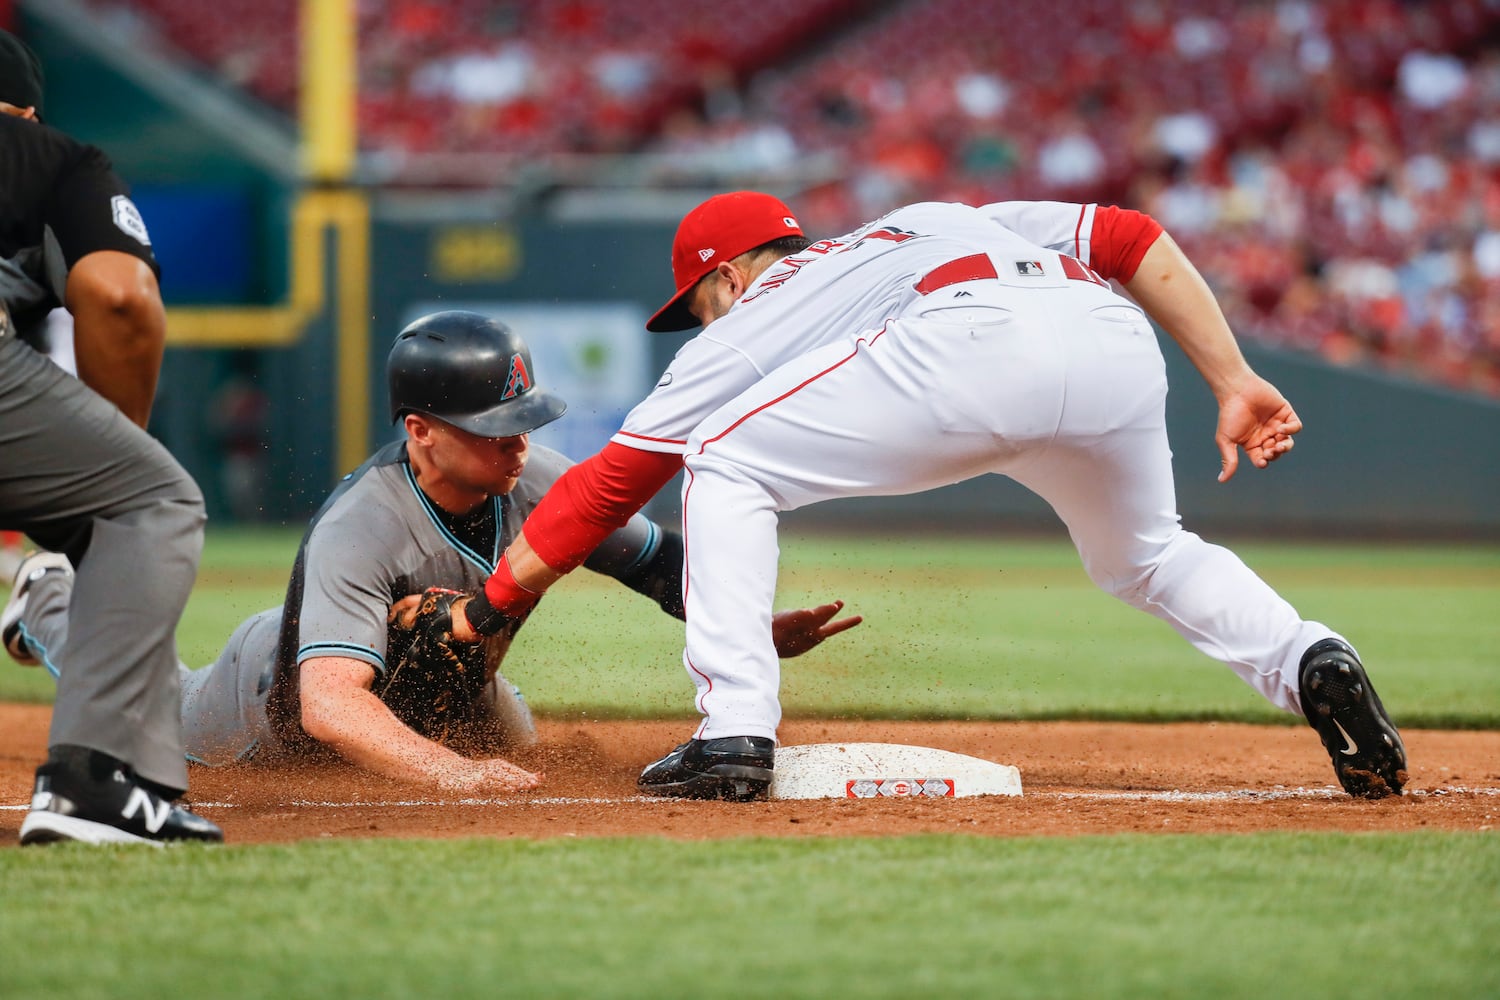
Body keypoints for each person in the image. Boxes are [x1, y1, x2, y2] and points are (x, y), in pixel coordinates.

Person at [449, 190, 1408, 803]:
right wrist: (1232, 378)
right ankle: (1307, 654)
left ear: (730, 277)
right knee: (1148, 555)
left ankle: (734, 730)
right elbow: (1126, 234)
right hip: (1108, 339)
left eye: (697, 303)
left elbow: (611, 484)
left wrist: (491, 603)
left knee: (723, 459)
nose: (700, 322)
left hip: (971, 345)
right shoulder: (937, 215)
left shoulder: (749, 318)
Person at [5, 310, 859, 794]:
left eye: (524, 422)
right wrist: (451, 775)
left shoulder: (529, 475)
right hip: (268, 699)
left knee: (521, 756)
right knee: (143, 692)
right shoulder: (361, 523)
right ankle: (47, 595)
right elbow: (327, 709)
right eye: (492, 430)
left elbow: (656, 564)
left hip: (448, 686)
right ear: (419, 433)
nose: (518, 446)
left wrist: (746, 623)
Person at [0, 30, 221, 844]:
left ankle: (148, 782)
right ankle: (90, 785)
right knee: (150, 502)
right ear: (24, 110)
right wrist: (115, 462)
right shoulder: (48, 154)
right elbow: (120, 294)